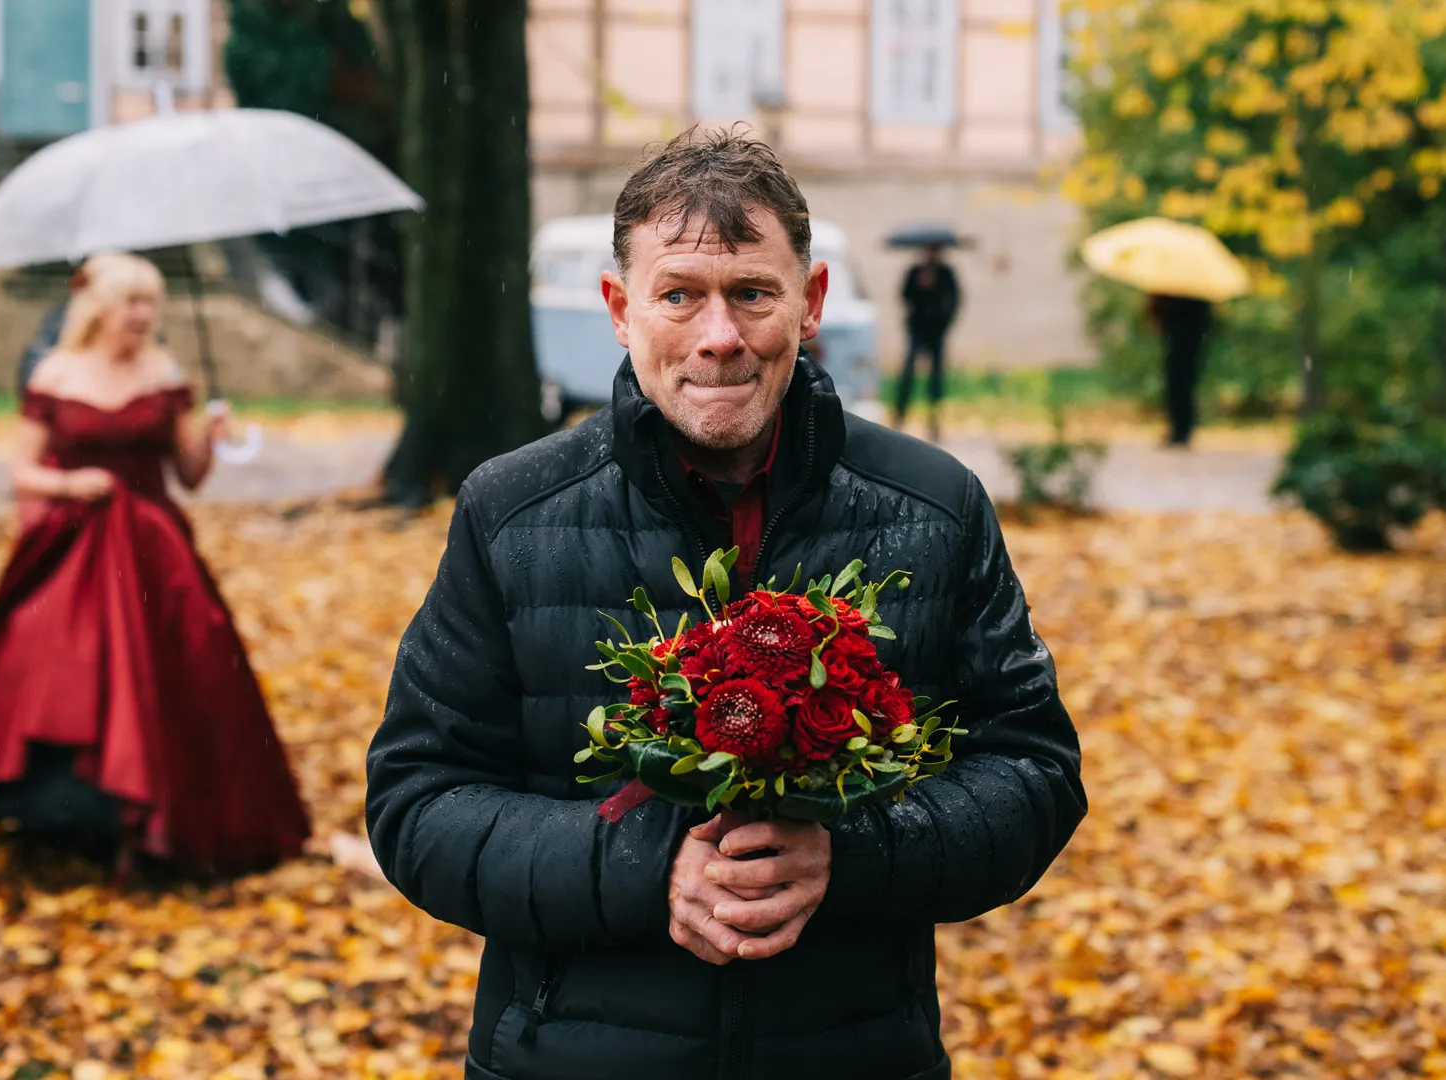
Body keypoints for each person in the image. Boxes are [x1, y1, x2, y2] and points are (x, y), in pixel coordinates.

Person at [365, 128, 1086, 1080]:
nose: (718, 336)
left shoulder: (932, 509)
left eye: (752, 293)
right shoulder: (514, 514)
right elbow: (418, 801)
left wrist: (853, 856)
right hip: (573, 1056)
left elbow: (1034, 772)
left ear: (811, 301)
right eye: (679, 296)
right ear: (620, 309)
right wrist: (643, 868)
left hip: (851, 1052)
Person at [0, 252, 310, 879]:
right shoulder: (57, 372)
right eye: (132, 302)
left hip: (154, 553)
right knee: (56, 671)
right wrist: (71, 486)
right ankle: (61, 817)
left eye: (151, 303)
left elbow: (190, 477)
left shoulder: (164, 372)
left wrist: (210, 437)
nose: (144, 315)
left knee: (179, 670)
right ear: (100, 308)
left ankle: (159, 822)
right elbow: (22, 471)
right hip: (74, 547)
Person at [894, 242, 960, 440]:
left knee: (936, 378)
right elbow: (904, 295)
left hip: (937, 331)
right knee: (908, 375)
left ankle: (935, 422)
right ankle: (900, 417)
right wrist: (920, 286)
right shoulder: (915, 271)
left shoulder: (946, 273)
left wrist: (945, 321)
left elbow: (955, 300)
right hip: (917, 329)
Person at [1147, 293, 1214, 447]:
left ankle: (1181, 430)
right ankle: (1180, 429)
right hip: (1184, 332)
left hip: (1183, 333)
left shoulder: (1179, 287)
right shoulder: (1195, 287)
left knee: (1179, 382)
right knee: (1181, 382)